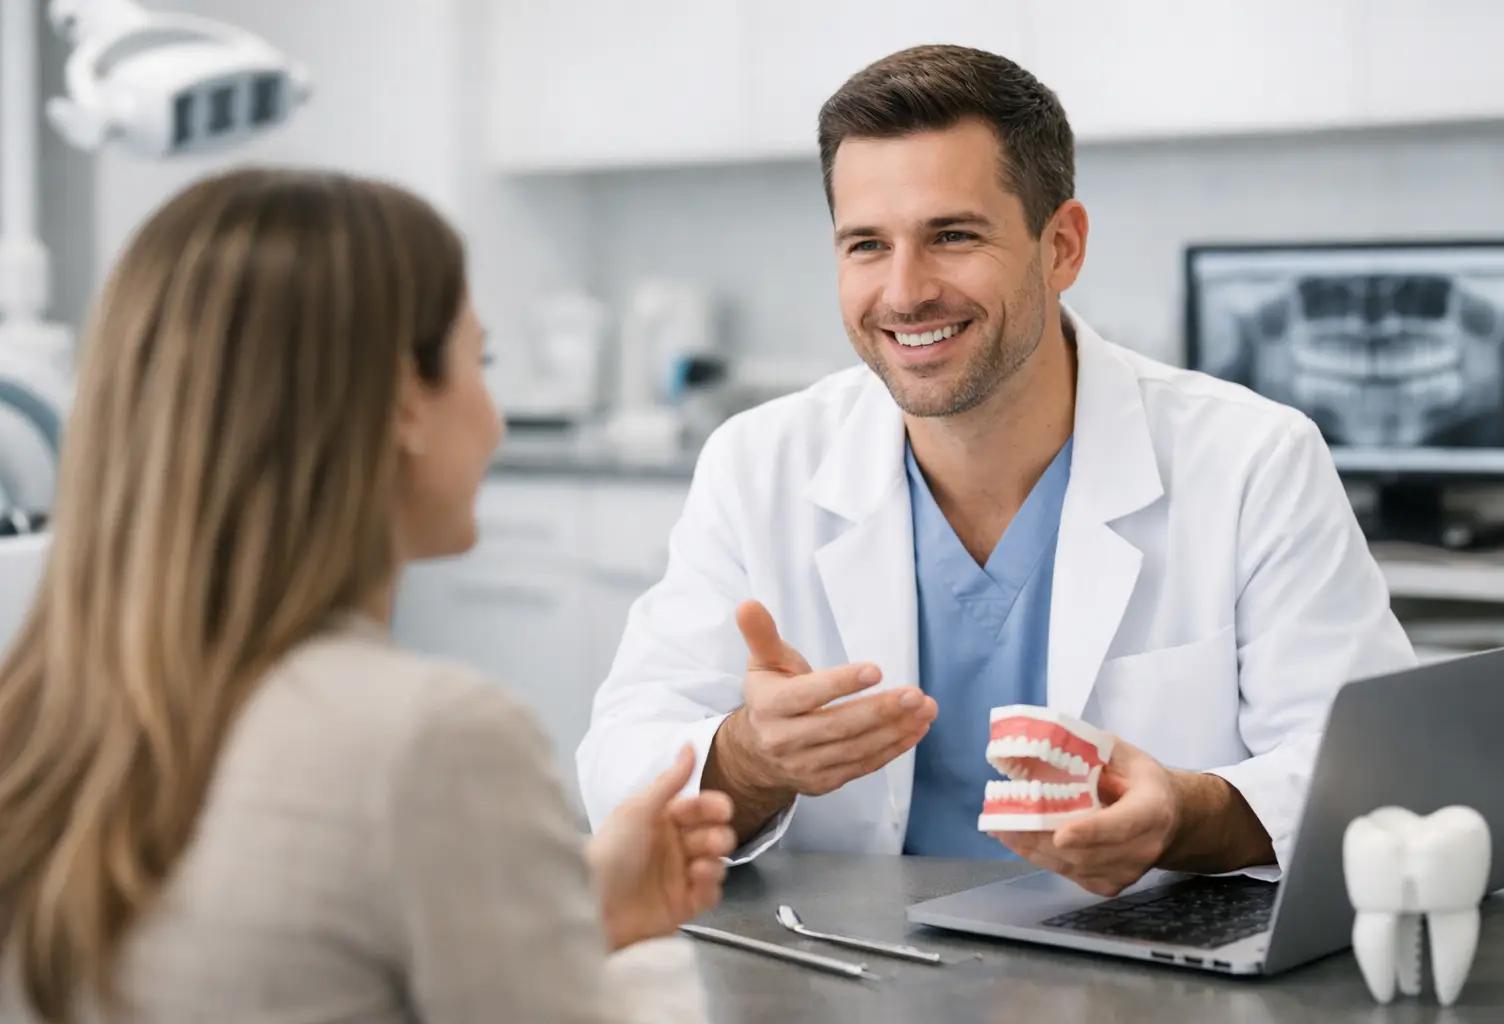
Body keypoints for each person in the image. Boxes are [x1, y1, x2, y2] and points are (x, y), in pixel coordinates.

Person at [578, 44, 1415, 894]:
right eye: (867, 244)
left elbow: (1381, 778)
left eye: (952, 236)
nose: (904, 293)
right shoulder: (759, 464)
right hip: (849, 968)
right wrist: (751, 759)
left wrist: (1187, 814)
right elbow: (618, 763)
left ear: (1062, 246)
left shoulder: (1251, 460)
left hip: (1139, 976)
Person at [0, 169, 733, 1024]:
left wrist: (562, 908)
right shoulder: (434, 739)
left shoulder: (36, 720)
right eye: (477, 362)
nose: (495, 417)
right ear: (403, 402)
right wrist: (638, 957)